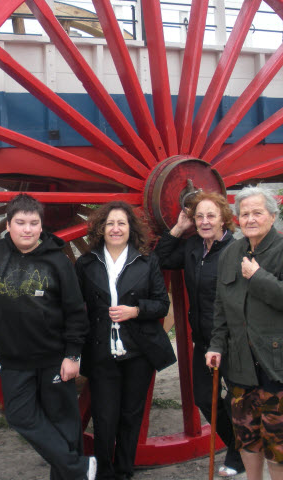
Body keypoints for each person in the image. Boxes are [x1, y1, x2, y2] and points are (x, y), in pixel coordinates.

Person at [0, 193, 96, 480]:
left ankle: (70, 474)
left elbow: (76, 312)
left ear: (41, 226)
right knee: (19, 416)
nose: (27, 229)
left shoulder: (58, 261)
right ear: (8, 225)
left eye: (33, 223)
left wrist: (73, 355)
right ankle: (80, 468)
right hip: (15, 360)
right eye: (20, 223)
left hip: (54, 358)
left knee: (64, 423)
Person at [205, 186, 283, 480]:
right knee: (247, 437)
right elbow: (221, 307)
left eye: (257, 212)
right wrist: (216, 345)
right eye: (244, 214)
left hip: (279, 365)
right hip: (242, 364)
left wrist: (258, 277)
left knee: (280, 444)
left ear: (272, 216)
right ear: (237, 219)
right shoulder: (230, 254)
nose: (250, 219)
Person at [75, 201, 175, 480]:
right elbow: (75, 307)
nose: (116, 229)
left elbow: (162, 304)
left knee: (131, 416)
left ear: (131, 228)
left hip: (138, 351)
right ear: (101, 229)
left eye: (121, 223)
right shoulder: (86, 263)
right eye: (110, 223)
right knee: (104, 418)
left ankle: (124, 471)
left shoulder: (147, 261)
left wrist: (136, 311)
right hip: (101, 351)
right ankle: (105, 473)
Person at [153, 191, 244, 477]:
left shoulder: (236, 251)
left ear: (223, 219)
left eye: (211, 216)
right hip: (203, 340)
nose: (205, 222)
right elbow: (161, 258)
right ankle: (237, 445)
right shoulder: (193, 247)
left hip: (232, 341)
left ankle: (240, 453)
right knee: (204, 397)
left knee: (238, 399)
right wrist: (178, 228)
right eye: (199, 217)